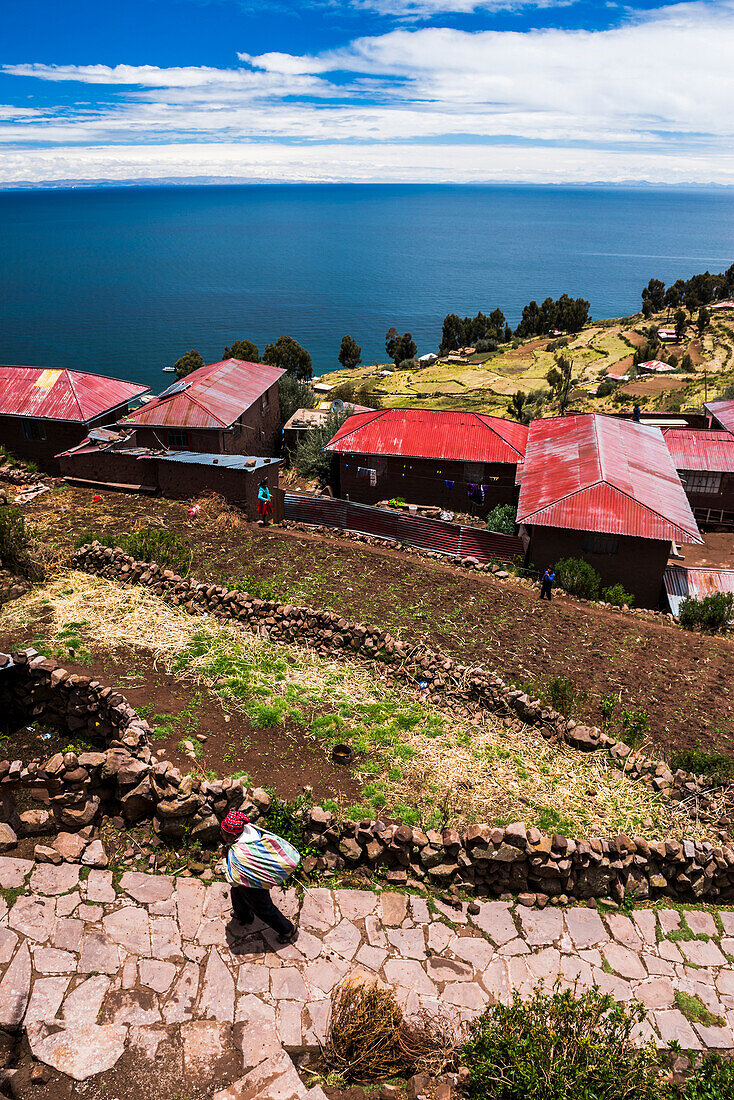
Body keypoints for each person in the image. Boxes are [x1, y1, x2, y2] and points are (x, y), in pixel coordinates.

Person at [220, 810, 297, 943]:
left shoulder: (240, 854)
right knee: (237, 893)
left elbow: (233, 879)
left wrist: (224, 859)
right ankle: (243, 915)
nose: (220, 834)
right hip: (248, 875)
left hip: (254, 882)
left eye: (223, 832)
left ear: (232, 835)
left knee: (262, 908)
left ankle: (287, 930)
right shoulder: (249, 830)